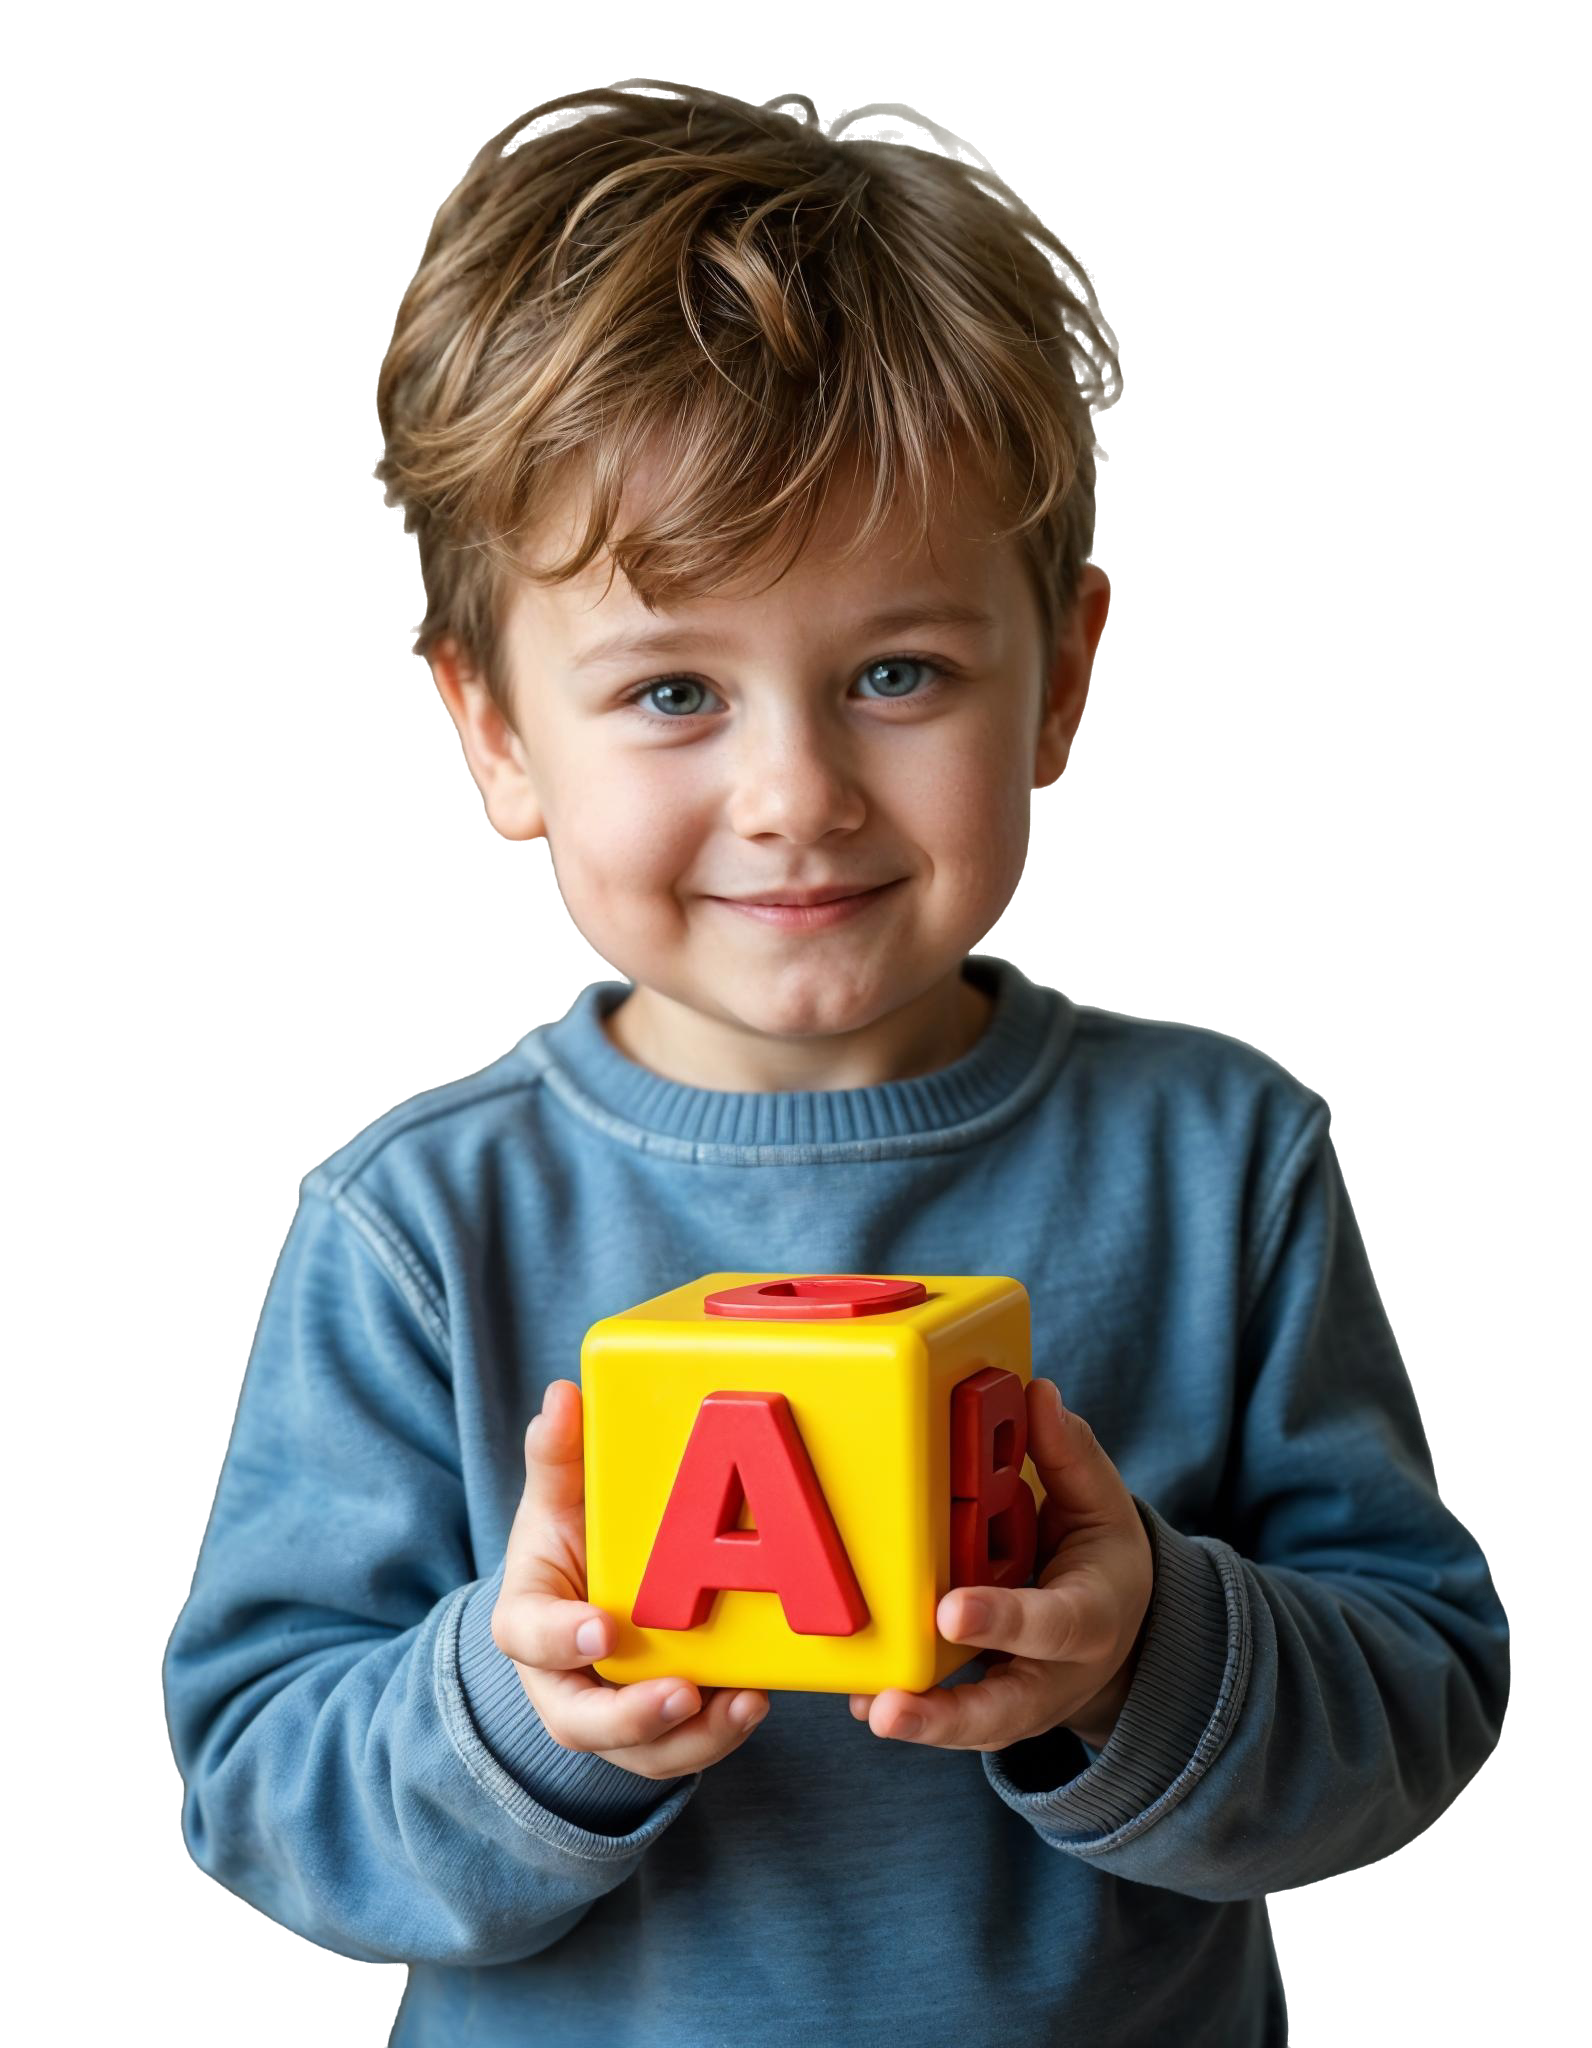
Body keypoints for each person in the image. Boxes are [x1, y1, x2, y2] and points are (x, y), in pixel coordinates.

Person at [163, 81, 1509, 2046]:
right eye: (673, 689)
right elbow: (254, 1794)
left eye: (896, 672)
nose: (794, 794)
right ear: (497, 738)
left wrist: (1143, 1650)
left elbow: (1414, 1711)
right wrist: (513, 1709)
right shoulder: (413, 1226)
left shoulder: (1219, 1160)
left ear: (1059, 683)